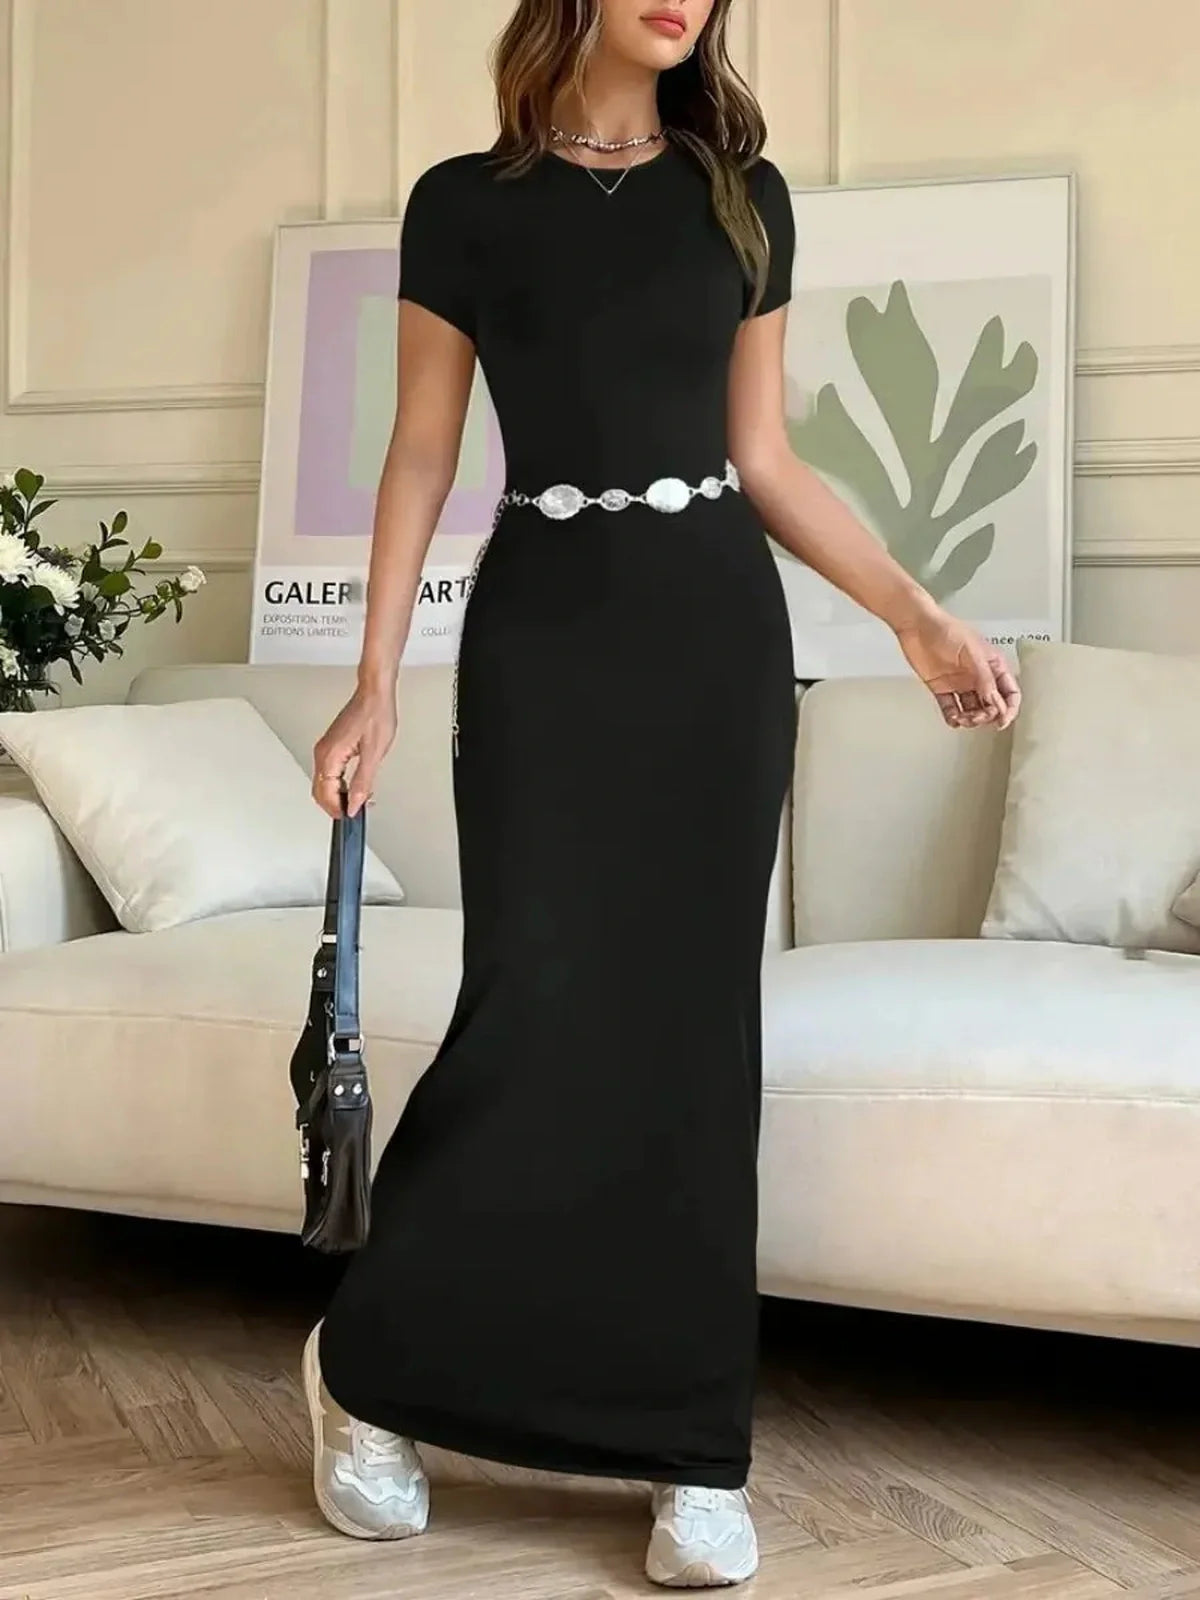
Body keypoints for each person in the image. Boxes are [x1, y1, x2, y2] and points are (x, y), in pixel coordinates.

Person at [302, 0, 1022, 1587]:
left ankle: (691, 1447)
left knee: (693, 1040)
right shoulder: (463, 202)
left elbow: (765, 457)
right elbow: (422, 450)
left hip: (711, 646)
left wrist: (914, 615)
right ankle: (374, 1377)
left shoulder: (742, 196)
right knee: (531, 1005)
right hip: (543, 640)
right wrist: (375, 680)